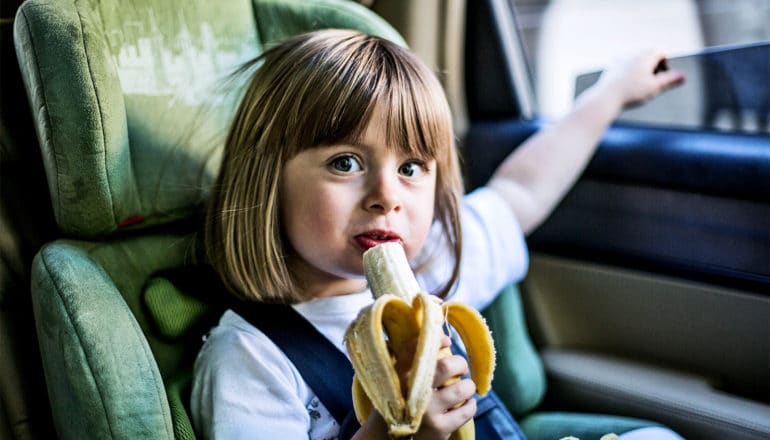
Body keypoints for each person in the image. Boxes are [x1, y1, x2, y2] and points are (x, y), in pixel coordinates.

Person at [190, 29, 685, 439]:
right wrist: (395, 432)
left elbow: (523, 190)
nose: (387, 195)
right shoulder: (249, 359)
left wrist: (611, 92)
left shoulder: (435, 263)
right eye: (345, 163)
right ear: (267, 179)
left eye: (410, 167)